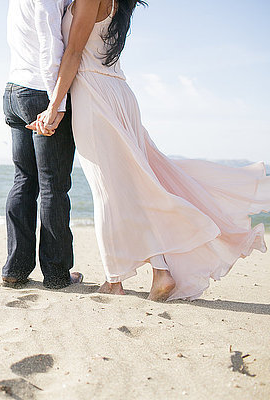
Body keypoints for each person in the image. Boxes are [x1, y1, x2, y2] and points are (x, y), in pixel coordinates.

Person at [28, 0, 270, 301]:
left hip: (94, 96)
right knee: (137, 185)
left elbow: (75, 52)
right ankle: (160, 272)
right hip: (118, 92)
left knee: (108, 189)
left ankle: (115, 280)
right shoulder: (120, 3)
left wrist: (54, 107)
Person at [3, 0, 83, 289]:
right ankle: (57, 274)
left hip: (13, 89)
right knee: (54, 186)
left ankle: (15, 269)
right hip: (40, 91)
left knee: (23, 180)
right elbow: (51, 43)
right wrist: (57, 102)